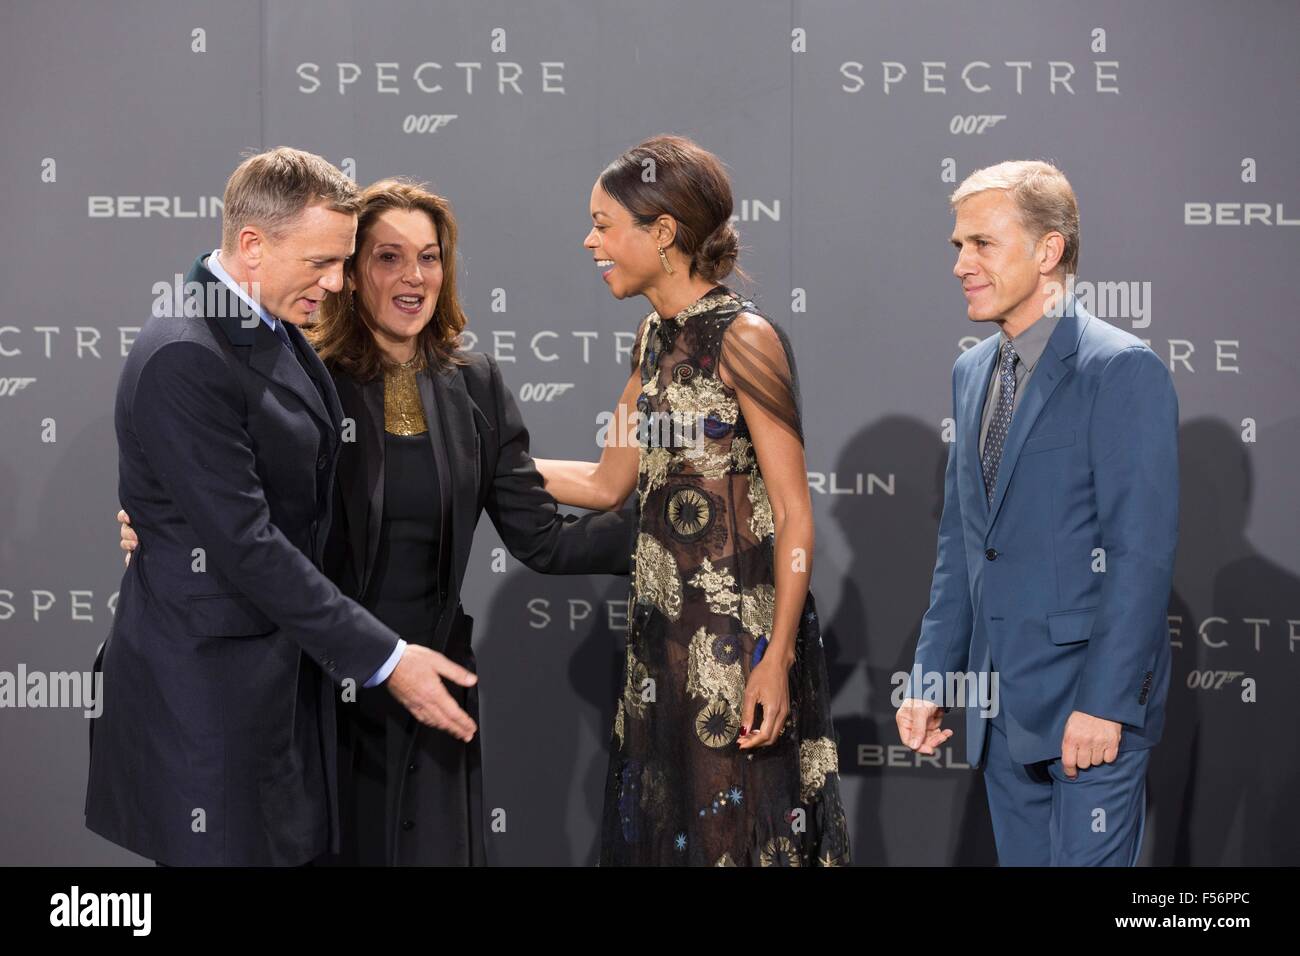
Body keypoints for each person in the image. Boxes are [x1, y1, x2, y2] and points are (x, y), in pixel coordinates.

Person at [118, 175, 635, 865]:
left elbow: (540, 531)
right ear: (356, 272)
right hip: (327, 687)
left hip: (434, 682)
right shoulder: (305, 366)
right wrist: (163, 529)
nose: (413, 275)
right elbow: (246, 522)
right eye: (385, 257)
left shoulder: (473, 382)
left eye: (429, 256)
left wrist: (681, 540)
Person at [88, 148, 469, 866]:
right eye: (322, 262)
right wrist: (387, 658)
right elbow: (246, 542)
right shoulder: (186, 353)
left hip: (278, 680)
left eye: (343, 261)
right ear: (254, 244)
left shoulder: (268, 321)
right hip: (209, 697)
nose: (337, 282)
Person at [534, 135, 851, 866]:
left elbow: (795, 512)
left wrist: (776, 659)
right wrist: (486, 461)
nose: (590, 242)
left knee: (731, 839)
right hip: (661, 645)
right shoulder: (650, 338)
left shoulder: (746, 338)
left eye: (604, 224)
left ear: (663, 232)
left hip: (739, 644)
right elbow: (607, 483)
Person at [897, 160, 1179, 866]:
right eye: (957, 246)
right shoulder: (972, 372)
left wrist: (1107, 704)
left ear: (1048, 251)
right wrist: (934, 676)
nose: (961, 264)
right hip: (1001, 714)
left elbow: (1139, 556)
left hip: (1089, 710)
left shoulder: (1120, 369)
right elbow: (964, 546)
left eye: (982, 244)